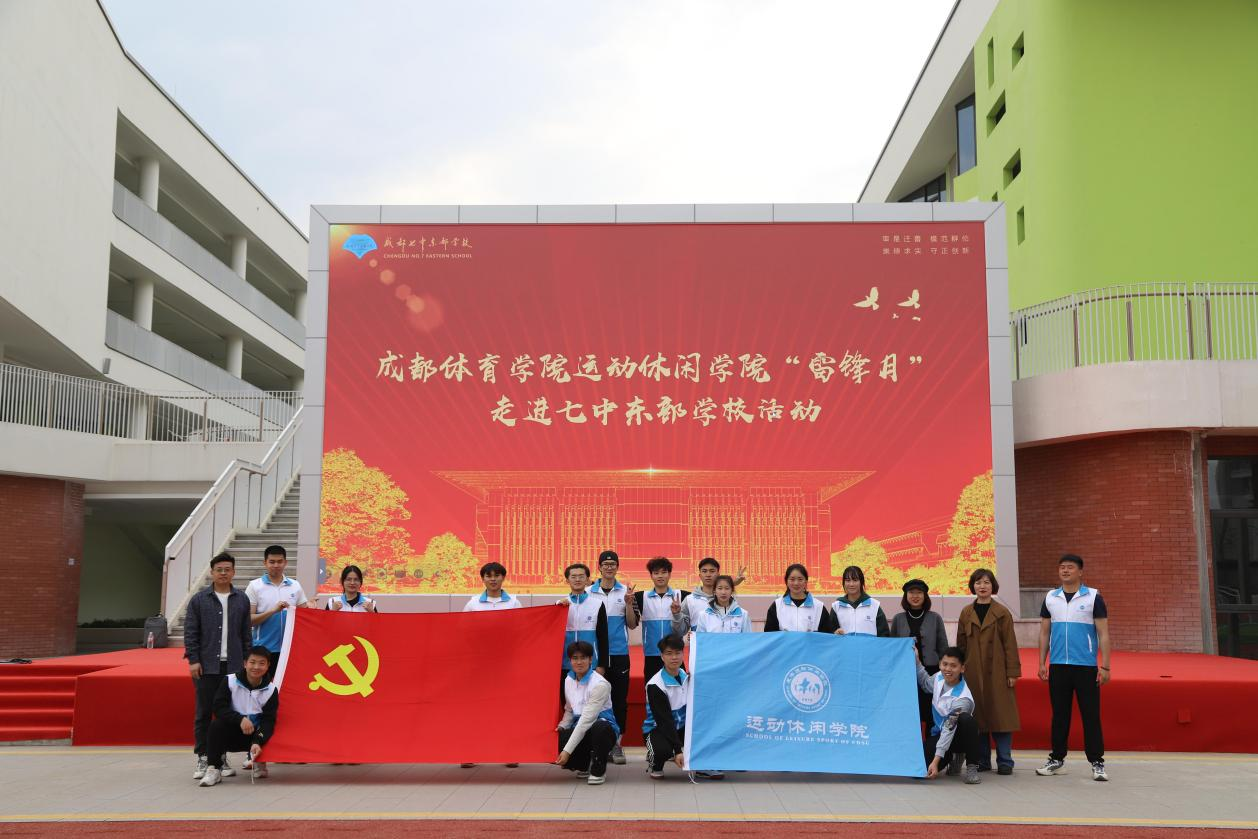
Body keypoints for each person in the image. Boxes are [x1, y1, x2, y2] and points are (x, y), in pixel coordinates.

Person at [1036, 553, 1111, 781]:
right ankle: (1057, 760)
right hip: (1058, 665)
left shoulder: (1094, 597)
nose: (1065, 571)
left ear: (1080, 571)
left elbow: (1103, 633)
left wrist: (1105, 666)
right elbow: (1045, 632)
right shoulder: (1051, 598)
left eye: (1070, 567)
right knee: (1060, 715)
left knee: (1090, 715)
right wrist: (1042, 662)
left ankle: (1097, 763)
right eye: (1062, 567)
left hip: (1085, 666)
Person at [184, 552, 251, 781]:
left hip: (233, 666)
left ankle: (220, 757)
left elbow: (246, 633)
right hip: (207, 665)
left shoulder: (241, 599)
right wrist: (193, 660)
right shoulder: (199, 600)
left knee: (228, 713)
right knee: (204, 712)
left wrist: (246, 659)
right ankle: (203, 757)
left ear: (233, 572)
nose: (223, 573)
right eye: (219, 569)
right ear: (212, 572)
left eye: (227, 569)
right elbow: (191, 632)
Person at [956, 568, 1021, 775]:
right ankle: (982, 760)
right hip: (973, 672)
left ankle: (1005, 761)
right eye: (978, 582)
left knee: (1002, 717)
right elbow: (961, 644)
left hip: (998, 671)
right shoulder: (966, 612)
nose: (982, 586)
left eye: (986, 582)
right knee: (978, 718)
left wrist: (1012, 672)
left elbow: (1010, 644)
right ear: (972, 586)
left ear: (993, 586)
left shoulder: (1002, 612)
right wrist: (958, 670)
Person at [460, 561, 522, 769]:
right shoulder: (473, 604)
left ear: (503, 578)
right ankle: (470, 752)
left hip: (506, 664)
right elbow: (463, 631)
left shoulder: (514, 603)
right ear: (483, 579)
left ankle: (510, 752)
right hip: (479, 665)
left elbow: (522, 631)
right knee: (476, 707)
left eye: (497, 575)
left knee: (507, 707)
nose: (493, 579)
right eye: (489, 576)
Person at [199, 646, 279, 787]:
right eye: (252, 662)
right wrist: (240, 719)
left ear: (268, 666)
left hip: (255, 735)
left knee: (274, 728)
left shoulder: (271, 690)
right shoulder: (230, 681)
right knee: (216, 726)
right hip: (233, 732)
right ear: (245, 663)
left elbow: (268, 720)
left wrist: (258, 740)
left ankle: (259, 760)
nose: (256, 667)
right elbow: (219, 708)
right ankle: (214, 768)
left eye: (261, 663)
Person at [588, 550, 637, 765]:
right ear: (599, 567)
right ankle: (594, 744)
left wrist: (628, 604)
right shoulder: (588, 592)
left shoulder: (626, 592)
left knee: (618, 700)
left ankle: (617, 744)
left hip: (619, 654)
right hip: (595, 655)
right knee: (594, 700)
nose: (609, 567)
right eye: (605, 564)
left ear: (618, 567)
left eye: (613, 564)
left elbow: (632, 624)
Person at [555, 641, 619, 785]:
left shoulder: (600, 684)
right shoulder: (568, 680)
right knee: (557, 738)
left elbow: (586, 721)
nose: (579, 662)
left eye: (583, 658)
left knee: (599, 728)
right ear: (570, 660)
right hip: (580, 727)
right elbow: (569, 710)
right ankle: (583, 764)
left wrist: (567, 751)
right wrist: (562, 726)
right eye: (575, 658)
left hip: (602, 726)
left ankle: (598, 769)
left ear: (591, 660)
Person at [917, 646, 981, 785]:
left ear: (962, 668)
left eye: (953, 666)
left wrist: (936, 761)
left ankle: (971, 765)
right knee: (918, 769)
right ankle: (951, 757)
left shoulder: (963, 698)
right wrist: (917, 661)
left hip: (957, 737)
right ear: (940, 664)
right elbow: (925, 683)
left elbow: (949, 728)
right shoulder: (938, 677)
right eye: (945, 664)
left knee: (967, 720)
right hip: (940, 734)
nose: (948, 669)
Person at [890, 579, 949, 725]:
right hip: (905, 672)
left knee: (930, 709)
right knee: (908, 709)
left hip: (931, 671)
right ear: (906, 596)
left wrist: (944, 670)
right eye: (911, 592)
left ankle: (931, 738)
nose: (915, 596)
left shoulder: (935, 618)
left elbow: (943, 646)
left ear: (925, 596)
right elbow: (892, 647)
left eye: (919, 593)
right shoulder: (898, 619)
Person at [643, 634, 699, 779]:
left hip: (682, 726)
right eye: (669, 653)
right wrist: (678, 750)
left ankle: (702, 765)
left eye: (677, 653)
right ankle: (655, 762)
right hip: (658, 728)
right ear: (662, 656)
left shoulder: (687, 676)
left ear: (683, 654)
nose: (674, 657)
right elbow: (664, 721)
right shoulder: (655, 685)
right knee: (662, 750)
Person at [245, 545, 309, 673]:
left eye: (280, 561)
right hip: (263, 649)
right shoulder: (254, 586)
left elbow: (305, 615)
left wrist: (311, 607)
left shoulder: (295, 585)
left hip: (289, 649)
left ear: (285, 562)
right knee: (265, 684)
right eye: (272, 562)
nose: (276, 565)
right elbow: (248, 620)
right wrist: (272, 611)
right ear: (265, 563)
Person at [632, 556, 689, 683]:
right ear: (651, 575)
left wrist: (677, 614)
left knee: (680, 689)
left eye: (664, 572)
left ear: (670, 574)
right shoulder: (640, 597)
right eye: (656, 573)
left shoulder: (683, 595)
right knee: (652, 690)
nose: (660, 576)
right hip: (652, 654)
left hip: (675, 654)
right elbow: (631, 621)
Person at [673, 557, 747, 634]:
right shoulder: (690, 600)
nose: (708, 575)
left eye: (712, 571)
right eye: (704, 571)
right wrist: (676, 615)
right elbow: (681, 631)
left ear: (718, 574)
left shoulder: (727, 598)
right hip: (701, 641)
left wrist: (732, 584)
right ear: (700, 575)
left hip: (726, 641)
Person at [763, 564, 837, 633]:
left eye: (800, 579)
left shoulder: (818, 606)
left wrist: (836, 633)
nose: (796, 583)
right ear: (786, 582)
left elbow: (827, 635)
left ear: (806, 582)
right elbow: (770, 635)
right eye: (792, 579)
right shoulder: (777, 606)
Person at [677, 574, 752, 634]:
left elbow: (748, 640)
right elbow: (701, 640)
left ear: (732, 591)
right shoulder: (704, 615)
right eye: (720, 588)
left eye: (727, 588)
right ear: (714, 591)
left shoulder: (743, 614)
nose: (723, 592)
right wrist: (695, 637)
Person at [832, 565, 889, 636]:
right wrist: (835, 634)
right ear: (843, 583)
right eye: (848, 580)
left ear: (861, 582)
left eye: (855, 580)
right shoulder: (836, 606)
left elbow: (884, 636)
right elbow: (829, 636)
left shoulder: (874, 606)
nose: (851, 584)